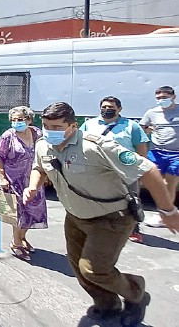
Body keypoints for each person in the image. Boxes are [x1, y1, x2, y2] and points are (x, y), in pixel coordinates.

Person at [25, 102, 179, 326]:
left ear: (73, 126)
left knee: (94, 269)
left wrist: (167, 210)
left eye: (57, 127)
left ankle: (136, 293)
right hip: (75, 217)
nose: (50, 131)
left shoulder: (97, 146)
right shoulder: (43, 145)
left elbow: (148, 169)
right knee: (79, 267)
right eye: (47, 126)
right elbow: (39, 168)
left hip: (111, 218)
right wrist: (32, 186)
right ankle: (107, 305)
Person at [81, 96, 149, 243]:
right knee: (96, 199)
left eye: (111, 108)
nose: (107, 110)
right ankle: (97, 227)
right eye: (104, 107)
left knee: (131, 199)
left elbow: (142, 149)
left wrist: (140, 169)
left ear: (119, 109)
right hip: (97, 170)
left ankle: (133, 229)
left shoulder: (132, 126)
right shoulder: (89, 124)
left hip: (125, 170)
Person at [0, 106, 48, 262]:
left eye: (20, 119)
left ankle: (22, 238)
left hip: (33, 180)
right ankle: (16, 242)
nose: (16, 122)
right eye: (13, 120)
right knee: (18, 214)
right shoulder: (7, 137)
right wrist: (2, 178)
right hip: (14, 181)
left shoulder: (37, 133)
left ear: (29, 120)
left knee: (32, 212)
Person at [140, 86, 179, 228]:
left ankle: (165, 215)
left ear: (173, 97)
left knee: (170, 183)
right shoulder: (152, 113)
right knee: (156, 183)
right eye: (159, 98)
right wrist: (148, 130)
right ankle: (164, 210)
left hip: (176, 154)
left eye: (164, 97)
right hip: (157, 152)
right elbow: (141, 127)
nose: (161, 100)